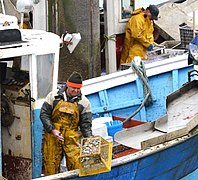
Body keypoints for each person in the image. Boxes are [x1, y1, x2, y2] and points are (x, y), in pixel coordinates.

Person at [40, 71, 92, 176]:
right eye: (73, 88)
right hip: (53, 135)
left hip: (72, 137)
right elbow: (44, 114)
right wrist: (52, 130)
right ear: (67, 85)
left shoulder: (84, 102)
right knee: (51, 166)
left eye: (78, 88)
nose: (76, 90)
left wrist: (89, 140)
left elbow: (85, 125)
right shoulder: (53, 96)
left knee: (76, 166)